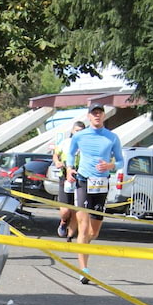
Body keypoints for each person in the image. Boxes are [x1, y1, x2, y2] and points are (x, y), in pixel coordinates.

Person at [66, 103, 124, 284]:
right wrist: (69, 169)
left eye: (100, 113)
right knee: (83, 228)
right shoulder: (80, 136)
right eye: (94, 113)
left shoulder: (112, 138)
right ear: (89, 117)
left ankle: (84, 246)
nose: (97, 116)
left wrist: (110, 165)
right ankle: (83, 269)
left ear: (104, 116)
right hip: (83, 181)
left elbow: (121, 161)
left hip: (101, 183)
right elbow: (70, 154)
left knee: (94, 231)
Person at [52, 120, 86, 240]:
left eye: (81, 132)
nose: (78, 134)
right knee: (66, 210)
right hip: (65, 178)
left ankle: (70, 236)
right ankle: (63, 222)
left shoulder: (86, 145)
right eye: (77, 131)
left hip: (81, 179)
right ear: (72, 131)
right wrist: (57, 162)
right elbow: (56, 154)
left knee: (76, 210)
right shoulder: (66, 143)